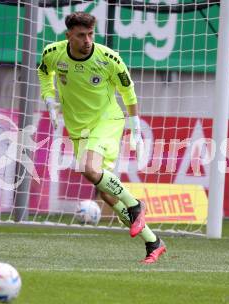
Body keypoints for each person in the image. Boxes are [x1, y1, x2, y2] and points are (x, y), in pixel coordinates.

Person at [37, 12, 166, 264]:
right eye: (81, 35)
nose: (87, 40)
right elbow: (44, 73)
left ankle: (135, 204)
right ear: (68, 36)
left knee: (88, 167)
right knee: (105, 191)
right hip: (78, 128)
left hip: (107, 121)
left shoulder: (108, 58)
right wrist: (49, 98)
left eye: (90, 34)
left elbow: (128, 92)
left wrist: (136, 130)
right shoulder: (53, 53)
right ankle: (154, 241)